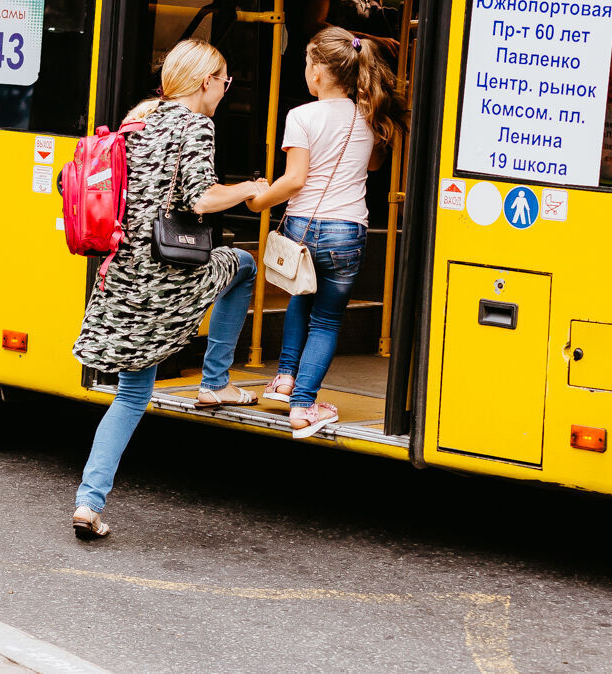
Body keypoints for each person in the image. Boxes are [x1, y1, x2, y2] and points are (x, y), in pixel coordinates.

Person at [71, 40, 267, 538]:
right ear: (207, 81)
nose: (226, 89)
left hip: (124, 273)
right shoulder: (197, 125)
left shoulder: (139, 118)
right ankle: (215, 382)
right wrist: (248, 189)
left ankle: (88, 504)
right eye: (225, 81)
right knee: (242, 265)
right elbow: (199, 198)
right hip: (170, 280)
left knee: (132, 395)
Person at [247, 26, 406, 438]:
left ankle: (288, 385)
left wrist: (259, 200)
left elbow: (295, 179)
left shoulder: (301, 116)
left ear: (317, 71)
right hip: (346, 231)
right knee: (327, 320)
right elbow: (371, 167)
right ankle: (303, 402)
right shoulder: (371, 115)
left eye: (305, 61)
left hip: (302, 226)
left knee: (301, 299)